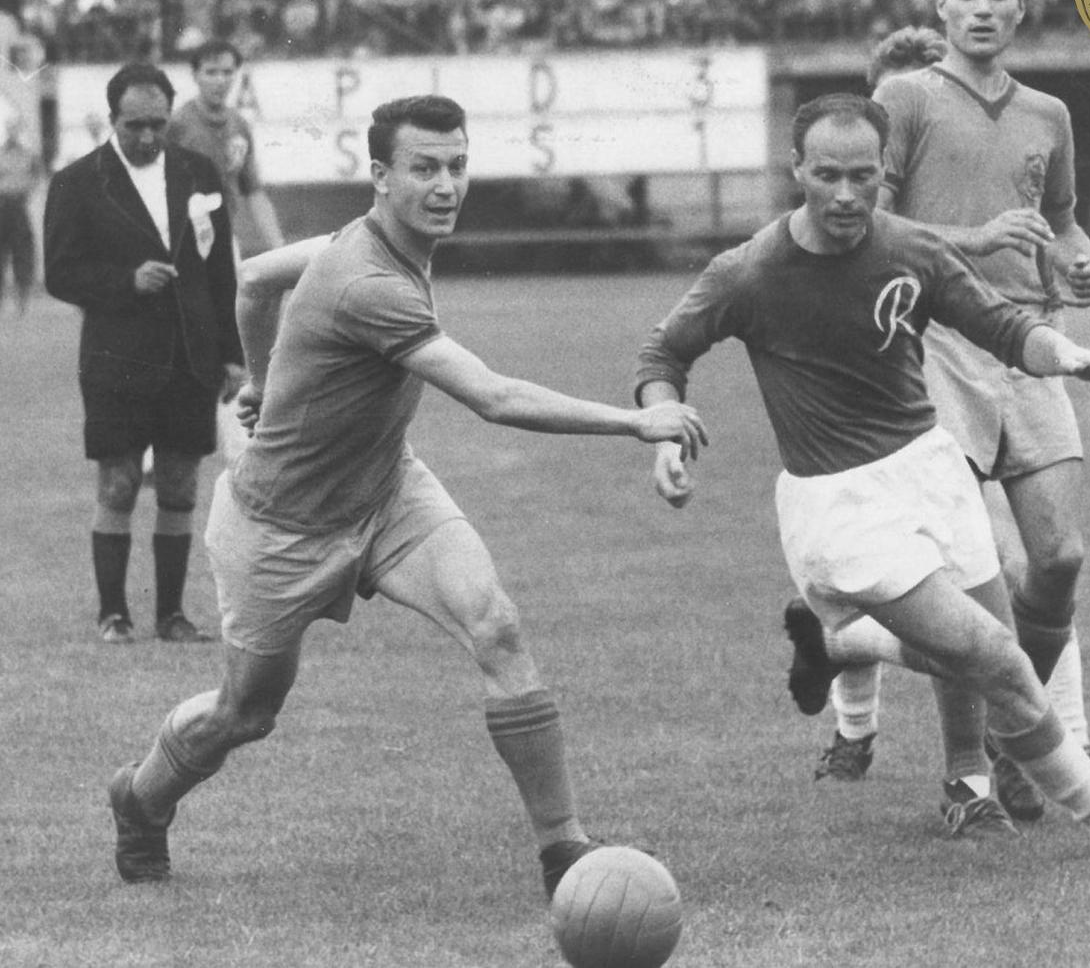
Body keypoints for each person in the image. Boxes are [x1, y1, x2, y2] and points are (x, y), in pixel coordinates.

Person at [104, 94, 708, 892]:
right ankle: (141, 797)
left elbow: (255, 279)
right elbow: (492, 396)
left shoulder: (368, 240)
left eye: (457, 165)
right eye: (424, 168)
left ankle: (564, 847)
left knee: (496, 625)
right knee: (245, 713)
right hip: (281, 528)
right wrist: (636, 421)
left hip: (388, 488)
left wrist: (259, 379)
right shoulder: (365, 280)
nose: (446, 185)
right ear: (381, 176)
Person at [637, 90, 1090, 861]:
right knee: (996, 656)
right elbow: (664, 353)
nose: (846, 194)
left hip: (931, 469)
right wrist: (664, 428)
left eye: (862, 175)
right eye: (827, 174)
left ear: (881, 170)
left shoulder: (907, 247)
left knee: (989, 653)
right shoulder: (752, 271)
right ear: (796, 169)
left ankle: (904, 713)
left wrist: (1069, 354)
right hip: (839, 504)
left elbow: (1000, 324)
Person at [793, 0, 1090, 830]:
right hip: (934, 344)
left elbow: (1063, 221)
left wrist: (1080, 263)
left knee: (1059, 559)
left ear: (1022, 7)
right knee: (972, 573)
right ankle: (971, 776)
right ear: (941, 5)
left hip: (1028, 340)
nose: (982, 6)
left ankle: (1016, 733)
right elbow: (871, 223)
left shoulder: (1049, 112)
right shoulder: (905, 98)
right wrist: (973, 241)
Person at [44, 62, 241, 645]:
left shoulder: (198, 172)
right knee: (119, 484)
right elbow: (60, 272)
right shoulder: (78, 181)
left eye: (158, 123)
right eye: (135, 126)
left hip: (190, 356)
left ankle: (172, 616)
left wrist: (233, 353)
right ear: (112, 119)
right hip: (117, 358)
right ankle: (114, 615)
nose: (149, 136)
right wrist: (126, 281)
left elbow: (220, 271)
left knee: (180, 486)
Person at [166, 38, 284, 259]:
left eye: (227, 72)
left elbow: (253, 191)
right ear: (195, 75)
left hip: (223, 237)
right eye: (211, 72)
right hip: (178, 239)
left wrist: (278, 247)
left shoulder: (239, 126)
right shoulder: (177, 125)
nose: (220, 80)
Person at [0, 110, 40, 316]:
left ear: (19, 130)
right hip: (2, 206)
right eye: (10, 127)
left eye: (15, 128)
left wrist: (26, 191)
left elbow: (36, 176)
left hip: (20, 206)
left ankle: (22, 302)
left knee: (23, 255)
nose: (12, 131)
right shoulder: (0, 153)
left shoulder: (28, 155)